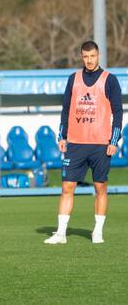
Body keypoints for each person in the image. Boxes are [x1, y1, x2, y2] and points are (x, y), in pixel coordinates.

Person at [44, 40, 122, 245]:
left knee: (100, 188)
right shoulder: (74, 79)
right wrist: (62, 136)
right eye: (85, 56)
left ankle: (97, 232)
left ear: (98, 56)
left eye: (92, 56)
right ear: (81, 57)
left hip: (100, 144)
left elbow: (118, 112)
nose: (89, 60)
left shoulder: (110, 80)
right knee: (67, 187)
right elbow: (65, 109)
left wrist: (114, 140)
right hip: (76, 144)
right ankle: (61, 234)